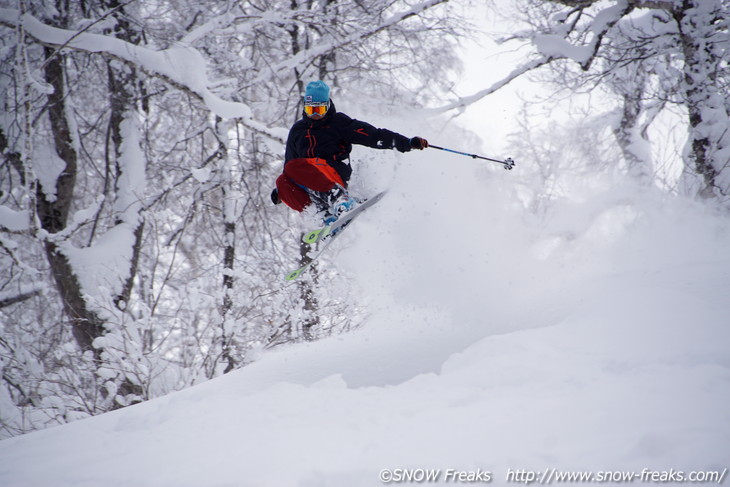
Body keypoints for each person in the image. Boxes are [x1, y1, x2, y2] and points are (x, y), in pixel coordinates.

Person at [271, 80, 428, 223]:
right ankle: (322, 216)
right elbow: (290, 166)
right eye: (311, 110)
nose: (316, 115)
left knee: (295, 167)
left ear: (327, 106)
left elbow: (373, 135)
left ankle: (340, 199)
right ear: (305, 108)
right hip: (312, 185)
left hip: (333, 174)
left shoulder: (338, 123)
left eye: (320, 110)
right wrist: (283, 192)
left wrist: (407, 143)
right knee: (282, 180)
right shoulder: (298, 131)